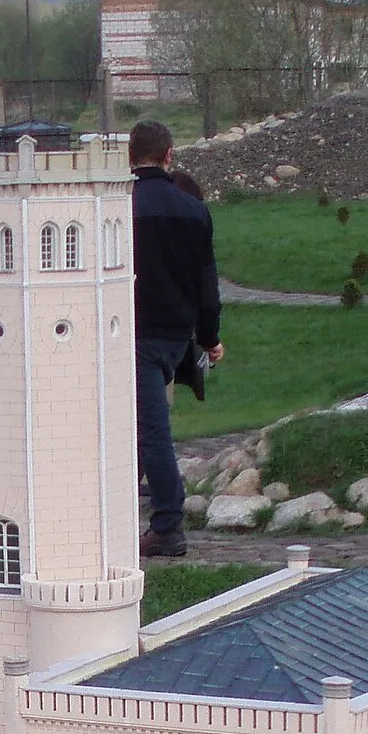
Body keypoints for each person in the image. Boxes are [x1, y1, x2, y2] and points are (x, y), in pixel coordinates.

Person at [130, 121, 223, 559]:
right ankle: (123, 511)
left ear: (130, 157)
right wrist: (210, 338)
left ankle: (168, 526)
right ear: (169, 155)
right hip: (176, 337)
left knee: (151, 431)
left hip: (134, 333)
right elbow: (207, 284)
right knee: (142, 427)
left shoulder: (119, 206)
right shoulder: (194, 211)